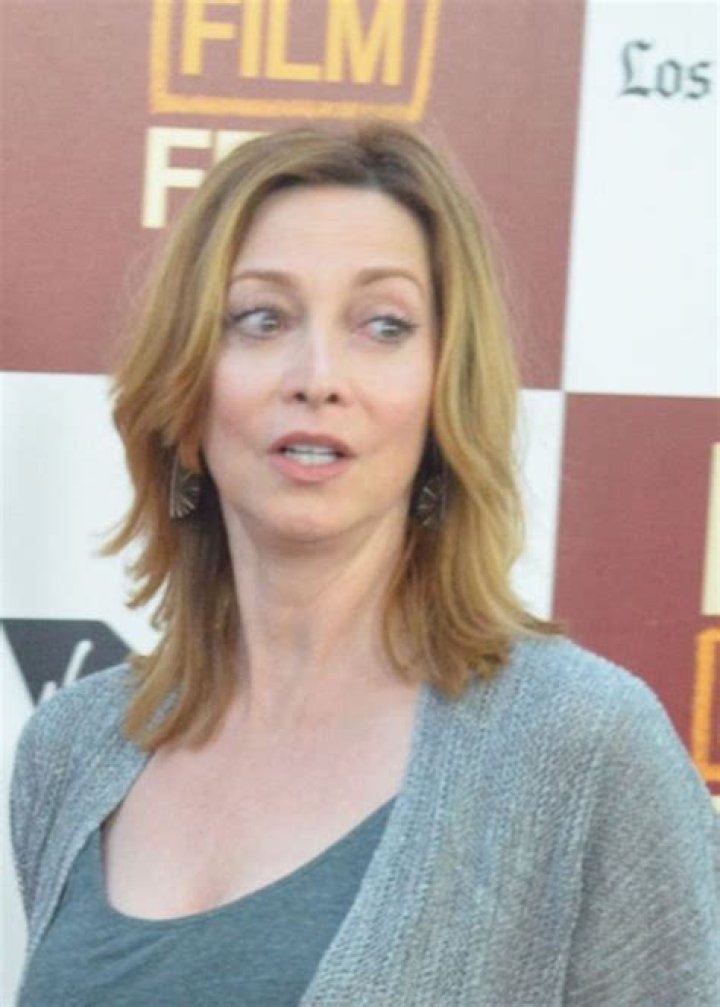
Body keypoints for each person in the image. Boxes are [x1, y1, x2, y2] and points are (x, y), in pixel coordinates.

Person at [10, 123, 719, 1006]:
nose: (318, 376)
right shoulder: (71, 750)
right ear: (186, 385)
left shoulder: (579, 745)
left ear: (443, 393)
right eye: (262, 318)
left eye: (384, 326)